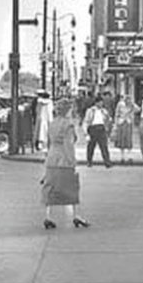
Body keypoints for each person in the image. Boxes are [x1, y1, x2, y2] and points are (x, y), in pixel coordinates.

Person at [41, 98, 89, 229]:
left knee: (51, 188)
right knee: (71, 188)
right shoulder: (68, 125)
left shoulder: (53, 123)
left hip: (52, 158)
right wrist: (72, 160)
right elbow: (68, 144)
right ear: (67, 110)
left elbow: (49, 142)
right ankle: (76, 216)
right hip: (64, 159)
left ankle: (48, 216)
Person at [82, 96, 112, 168]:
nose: (101, 104)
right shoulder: (90, 111)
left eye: (102, 102)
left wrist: (108, 126)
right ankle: (89, 161)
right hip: (93, 128)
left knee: (104, 146)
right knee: (91, 147)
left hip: (101, 128)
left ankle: (107, 161)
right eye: (100, 102)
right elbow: (86, 121)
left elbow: (108, 119)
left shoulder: (104, 111)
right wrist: (85, 133)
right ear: (96, 103)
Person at [113, 94, 139, 163]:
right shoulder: (120, 104)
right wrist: (115, 124)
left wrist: (133, 104)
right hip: (121, 122)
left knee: (128, 140)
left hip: (128, 123)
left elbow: (138, 109)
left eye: (129, 99)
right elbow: (116, 114)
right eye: (127, 99)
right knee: (121, 140)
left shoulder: (131, 106)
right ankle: (122, 157)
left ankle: (129, 156)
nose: (128, 101)